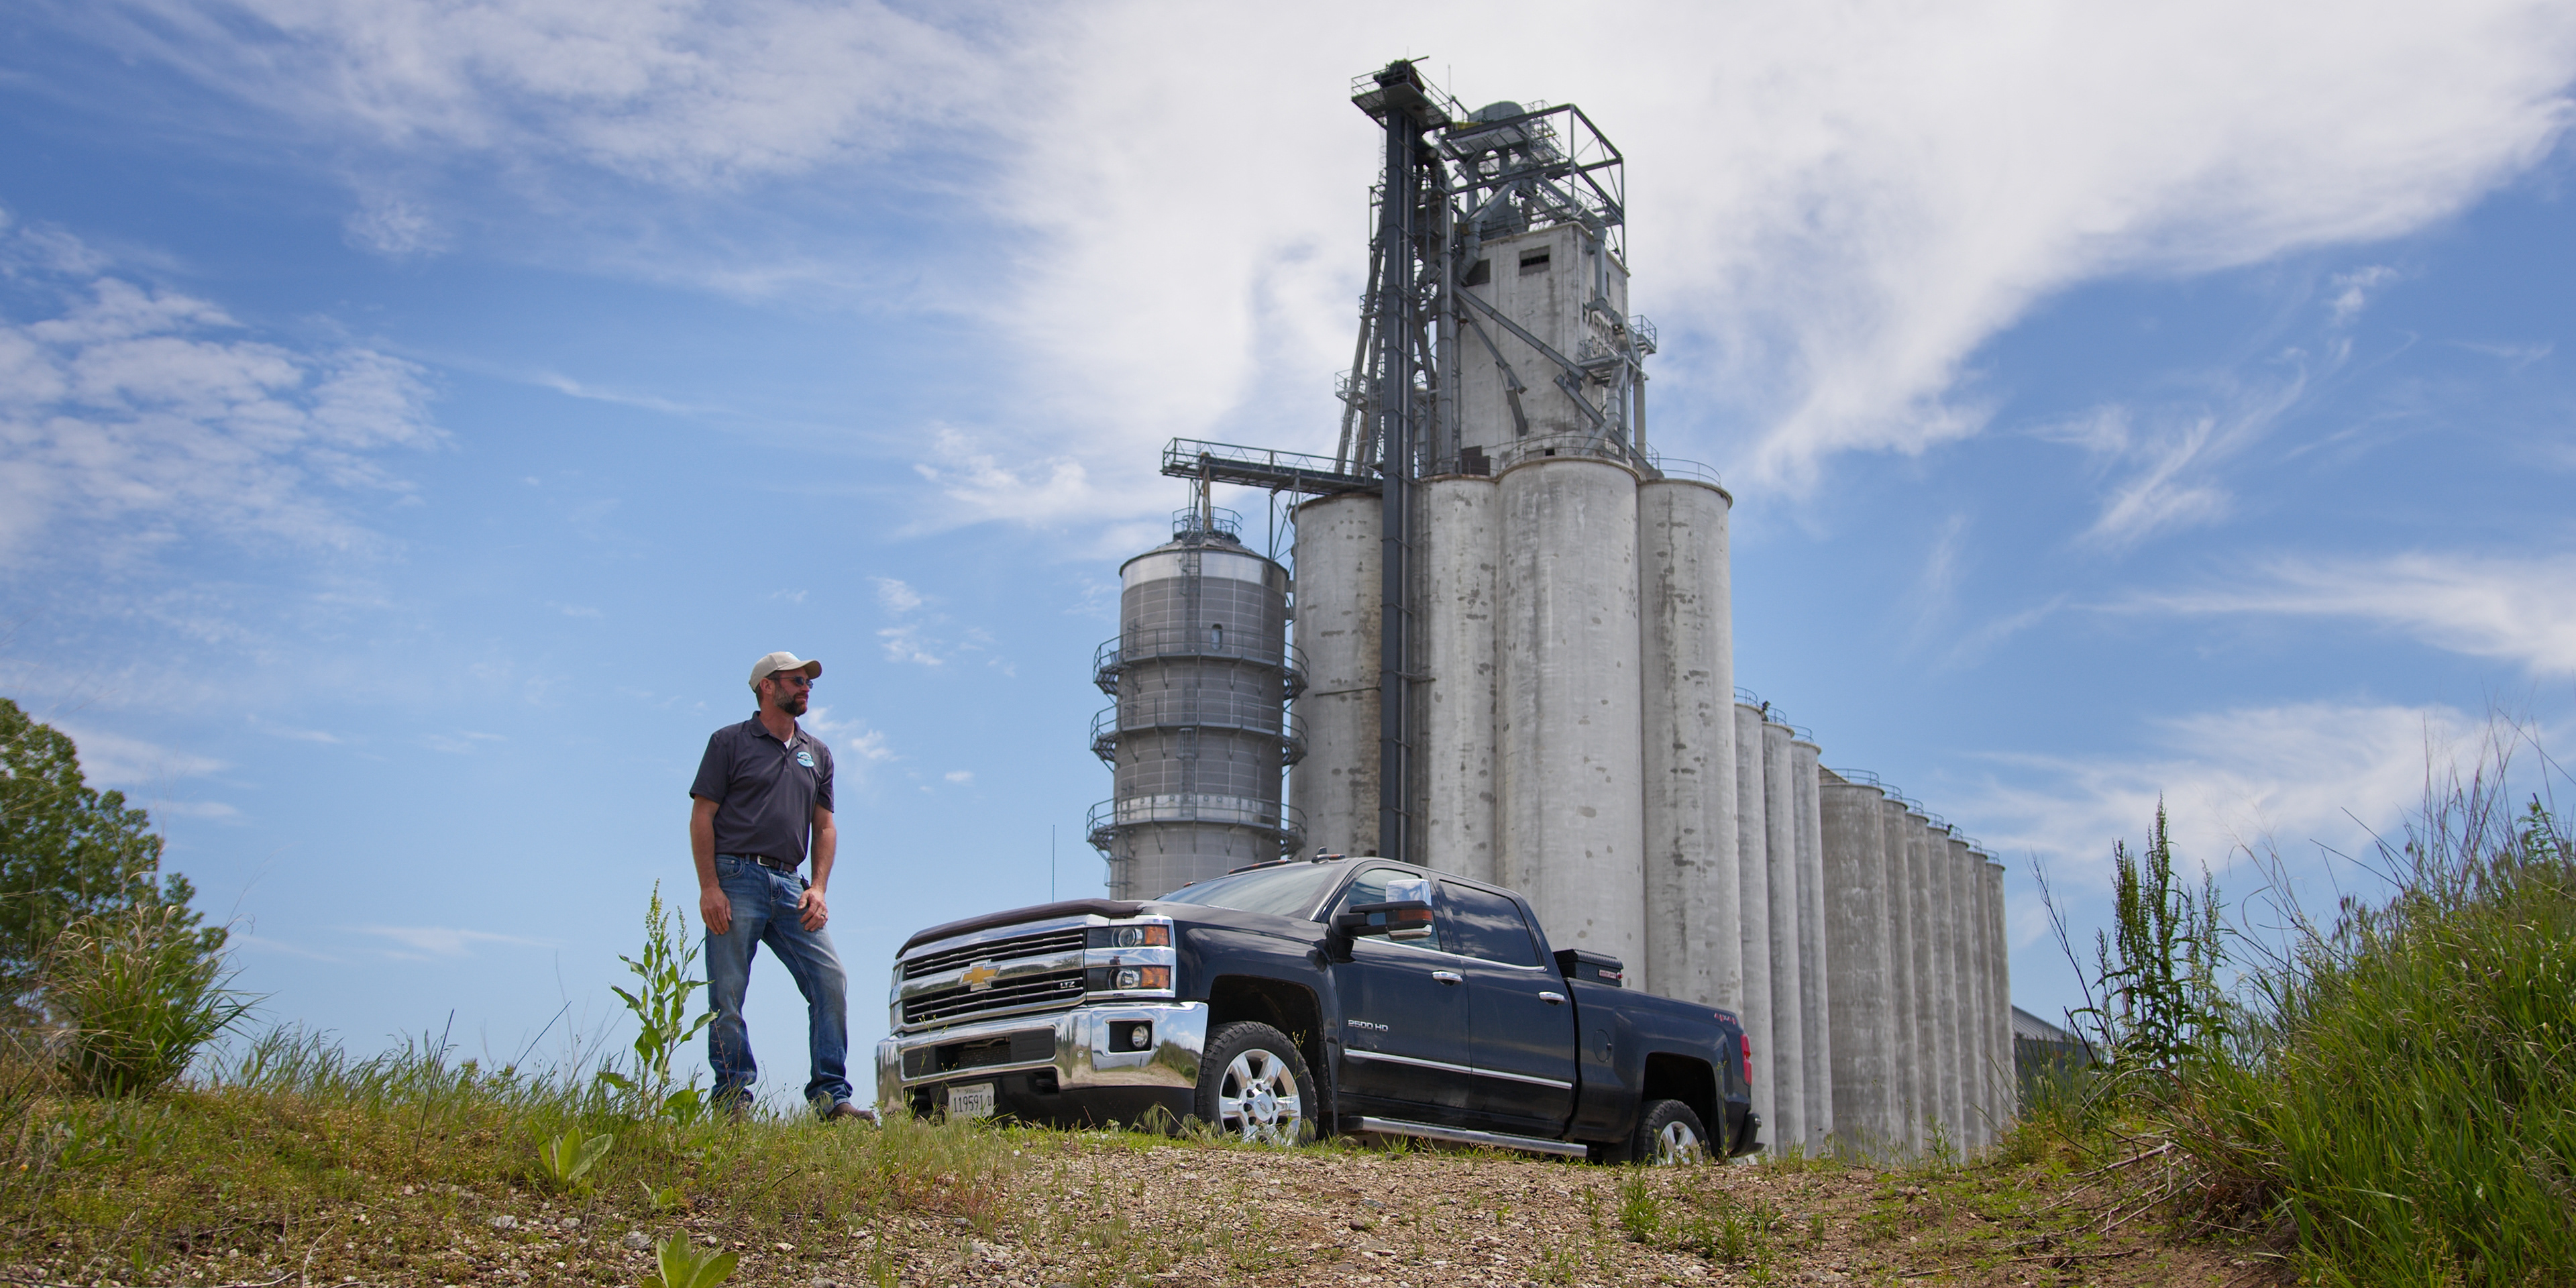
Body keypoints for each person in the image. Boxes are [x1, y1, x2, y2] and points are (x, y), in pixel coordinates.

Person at [690, 651, 865, 1120]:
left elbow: (824, 827)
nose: (806, 688)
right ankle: (732, 1100)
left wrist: (819, 889)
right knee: (727, 993)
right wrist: (710, 887)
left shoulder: (818, 753)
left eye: (809, 682)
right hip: (736, 879)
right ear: (767, 686)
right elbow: (702, 815)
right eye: (797, 681)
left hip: (792, 886)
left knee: (830, 980)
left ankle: (831, 1099)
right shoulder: (728, 742)